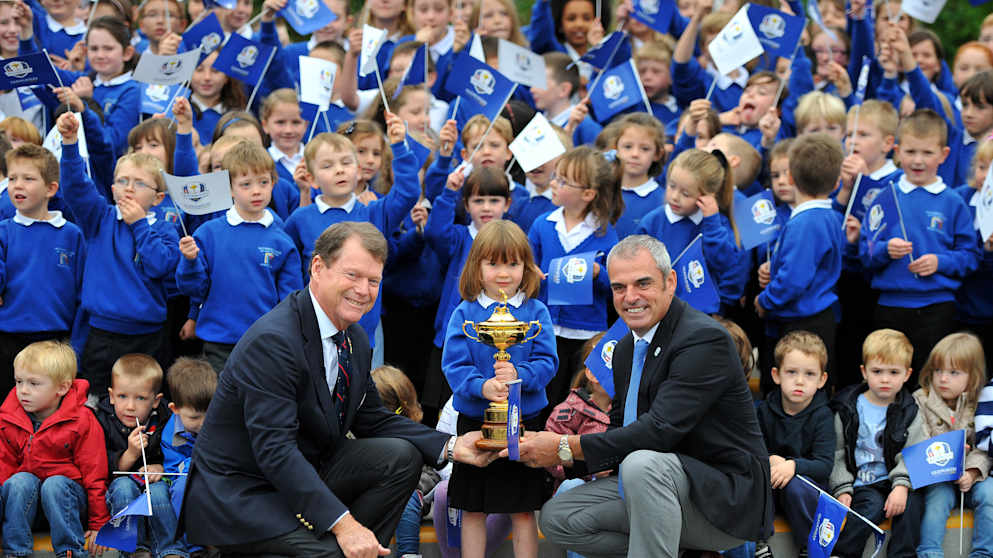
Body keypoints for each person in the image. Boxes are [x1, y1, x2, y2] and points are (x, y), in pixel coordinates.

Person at [181, 221, 496, 556]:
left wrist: (451, 446)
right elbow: (275, 451)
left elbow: (373, 418)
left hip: (303, 473)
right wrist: (344, 524)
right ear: (318, 267)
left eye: (373, 280)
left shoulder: (356, 338)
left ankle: (352, 548)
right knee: (334, 550)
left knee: (400, 458)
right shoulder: (274, 341)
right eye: (352, 275)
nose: (364, 289)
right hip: (243, 494)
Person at [513, 234, 773, 557]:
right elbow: (622, 431)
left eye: (643, 284)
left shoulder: (704, 340)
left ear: (670, 282)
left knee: (641, 464)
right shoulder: (624, 350)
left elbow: (659, 431)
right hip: (655, 489)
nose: (630, 297)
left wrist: (564, 447)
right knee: (558, 518)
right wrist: (553, 453)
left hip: (724, 500)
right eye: (619, 287)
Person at [443, 219, 558, 558]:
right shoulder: (464, 313)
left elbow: (548, 362)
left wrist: (519, 375)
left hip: (525, 425)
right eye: (493, 263)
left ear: (527, 266)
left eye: (513, 263)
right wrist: (483, 386)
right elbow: (453, 366)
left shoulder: (536, 312)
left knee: (523, 509)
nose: (503, 272)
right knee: (474, 508)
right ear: (477, 266)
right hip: (476, 425)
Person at [0, 341, 110, 557]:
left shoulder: (81, 420)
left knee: (55, 484)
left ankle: (69, 551)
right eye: (19, 381)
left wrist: (99, 523)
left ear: (62, 387)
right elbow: (4, 467)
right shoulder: (9, 417)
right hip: (26, 506)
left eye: (34, 383)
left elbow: (94, 473)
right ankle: (15, 552)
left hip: (68, 503)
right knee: (19, 481)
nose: (23, 391)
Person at [828, 328, 924, 558]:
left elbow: (914, 452)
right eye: (877, 371)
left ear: (907, 374)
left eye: (894, 372)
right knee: (869, 508)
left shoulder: (909, 411)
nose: (885, 379)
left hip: (895, 479)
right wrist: (842, 488)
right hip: (862, 483)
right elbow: (837, 451)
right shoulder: (847, 407)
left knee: (912, 505)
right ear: (864, 371)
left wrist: (901, 485)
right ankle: (841, 553)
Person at [754, 331, 835, 558]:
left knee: (796, 486)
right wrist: (770, 458)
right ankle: (758, 543)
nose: (800, 381)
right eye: (791, 372)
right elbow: (753, 449)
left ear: (822, 380)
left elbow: (824, 465)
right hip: (771, 482)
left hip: (804, 490)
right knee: (754, 477)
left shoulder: (823, 415)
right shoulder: (763, 410)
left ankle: (808, 546)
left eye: (809, 374)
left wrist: (792, 466)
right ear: (776, 375)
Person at [912, 332, 993, 558]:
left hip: (971, 475)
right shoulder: (921, 399)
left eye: (953, 372)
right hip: (937, 475)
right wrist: (946, 461)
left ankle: (983, 554)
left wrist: (973, 470)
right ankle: (929, 552)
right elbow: (919, 439)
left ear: (973, 376)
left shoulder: (979, 401)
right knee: (938, 499)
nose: (943, 379)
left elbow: (983, 445)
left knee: (990, 494)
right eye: (938, 370)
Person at [95, 353, 183, 558]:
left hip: (154, 484)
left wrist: (161, 468)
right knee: (124, 488)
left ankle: (171, 549)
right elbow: (104, 468)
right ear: (111, 395)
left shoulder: (166, 419)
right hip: (119, 487)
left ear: (155, 400)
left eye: (141, 398)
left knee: (159, 491)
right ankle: (135, 550)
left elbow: (175, 455)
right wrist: (131, 454)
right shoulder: (102, 420)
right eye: (122, 396)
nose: (130, 406)